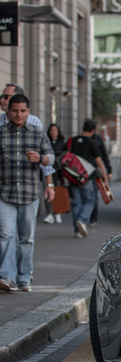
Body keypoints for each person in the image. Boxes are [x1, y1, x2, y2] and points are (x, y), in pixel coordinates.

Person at [0, 94, 55, 292]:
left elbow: (51, 157)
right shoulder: (1, 133)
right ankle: (7, 277)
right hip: (5, 193)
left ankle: (24, 277)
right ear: (8, 111)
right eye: (15, 110)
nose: (18, 114)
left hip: (30, 193)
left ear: (28, 111)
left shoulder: (37, 132)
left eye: (23, 111)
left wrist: (41, 158)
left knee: (26, 238)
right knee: (6, 235)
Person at [0, 84, 56, 219]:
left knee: (26, 237)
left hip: (28, 190)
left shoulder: (35, 124)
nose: (2, 100)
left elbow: (48, 156)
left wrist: (49, 184)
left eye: (6, 97)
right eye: (2, 96)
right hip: (4, 190)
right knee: (6, 235)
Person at [67, 119, 109, 239]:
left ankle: (77, 230)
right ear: (93, 130)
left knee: (76, 202)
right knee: (89, 200)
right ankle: (82, 219)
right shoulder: (91, 143)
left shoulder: (73, 141)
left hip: (72, 175)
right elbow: (99, 161)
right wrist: (105, 178)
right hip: (86, 176)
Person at [84, 119, 112, 227]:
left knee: (93, 195)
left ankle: (92, 218)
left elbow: (104, 156)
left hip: (95, 172)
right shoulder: (83, 139)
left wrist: (109, 170)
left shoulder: (98, 140)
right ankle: (86, 217)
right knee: (89, 196)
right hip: (85, 172)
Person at [43, 124, 67, 224]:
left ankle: (58, 213)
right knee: (48, 190)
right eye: (51, 130)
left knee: (58, 191)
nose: (53, 132)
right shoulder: (46, 142)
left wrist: (57, 160)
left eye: (55, 130)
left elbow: (65, 154)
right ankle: (49, 214)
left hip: (58, 171)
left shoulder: (62, 143)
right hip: (48, 170)